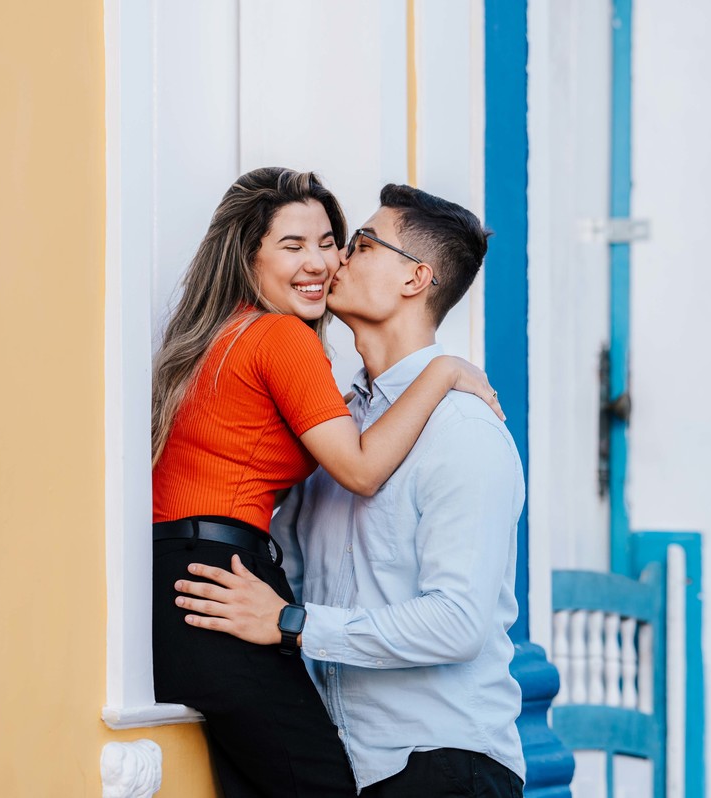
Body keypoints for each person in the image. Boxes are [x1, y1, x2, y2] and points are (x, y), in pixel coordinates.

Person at [150, 168, 502, 798]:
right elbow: (357, 476)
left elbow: (458, 622)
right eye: (295, 245)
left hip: (441, 761)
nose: (330, 261)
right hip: (222, 586)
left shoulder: (461, 429)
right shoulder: (321, 392)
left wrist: (291, 620)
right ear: (249, 256)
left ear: (415, 279)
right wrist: (444, 368)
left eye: (350, 244)